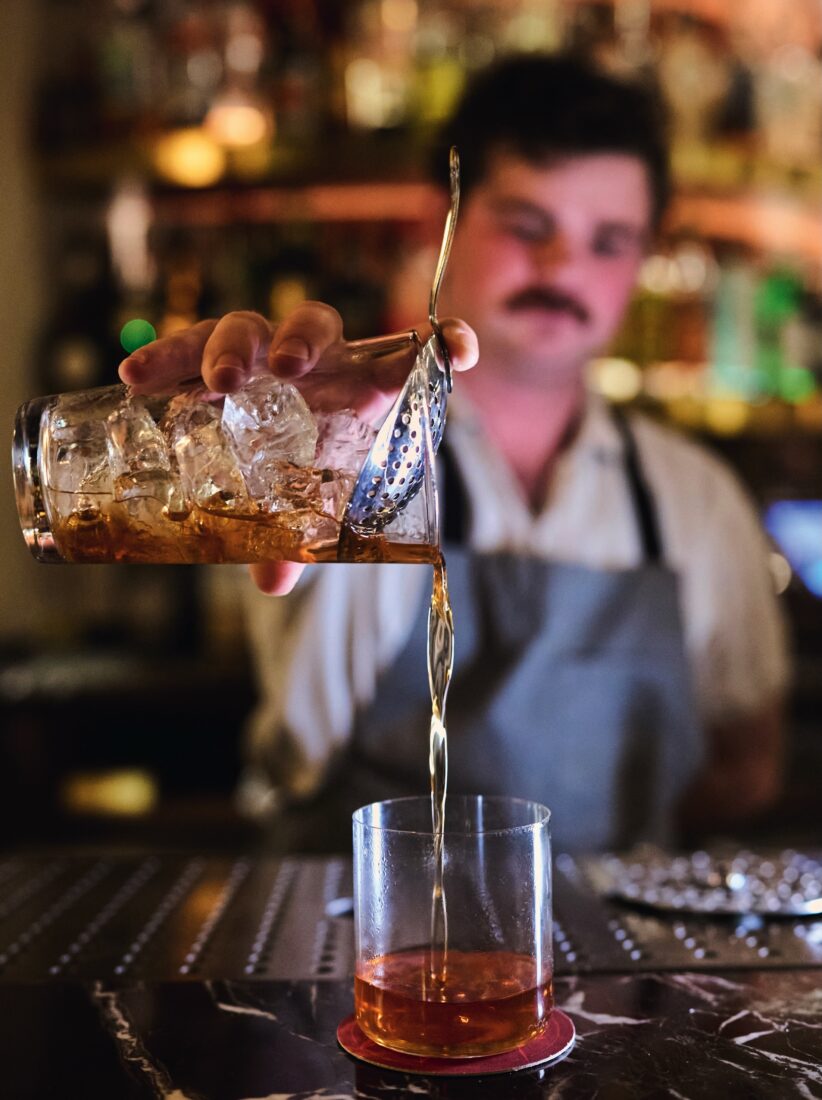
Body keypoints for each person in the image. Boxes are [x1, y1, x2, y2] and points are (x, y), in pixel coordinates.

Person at [121, 53, 789, 853]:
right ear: (437, 222)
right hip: (361, 948)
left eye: (608, 241)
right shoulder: (346, 457)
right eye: (527, 226)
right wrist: (243, 431)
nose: (561, 269)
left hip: (616, 962)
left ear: (645, 256)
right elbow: (299, 767)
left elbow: (748, 764)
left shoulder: (695, 498)